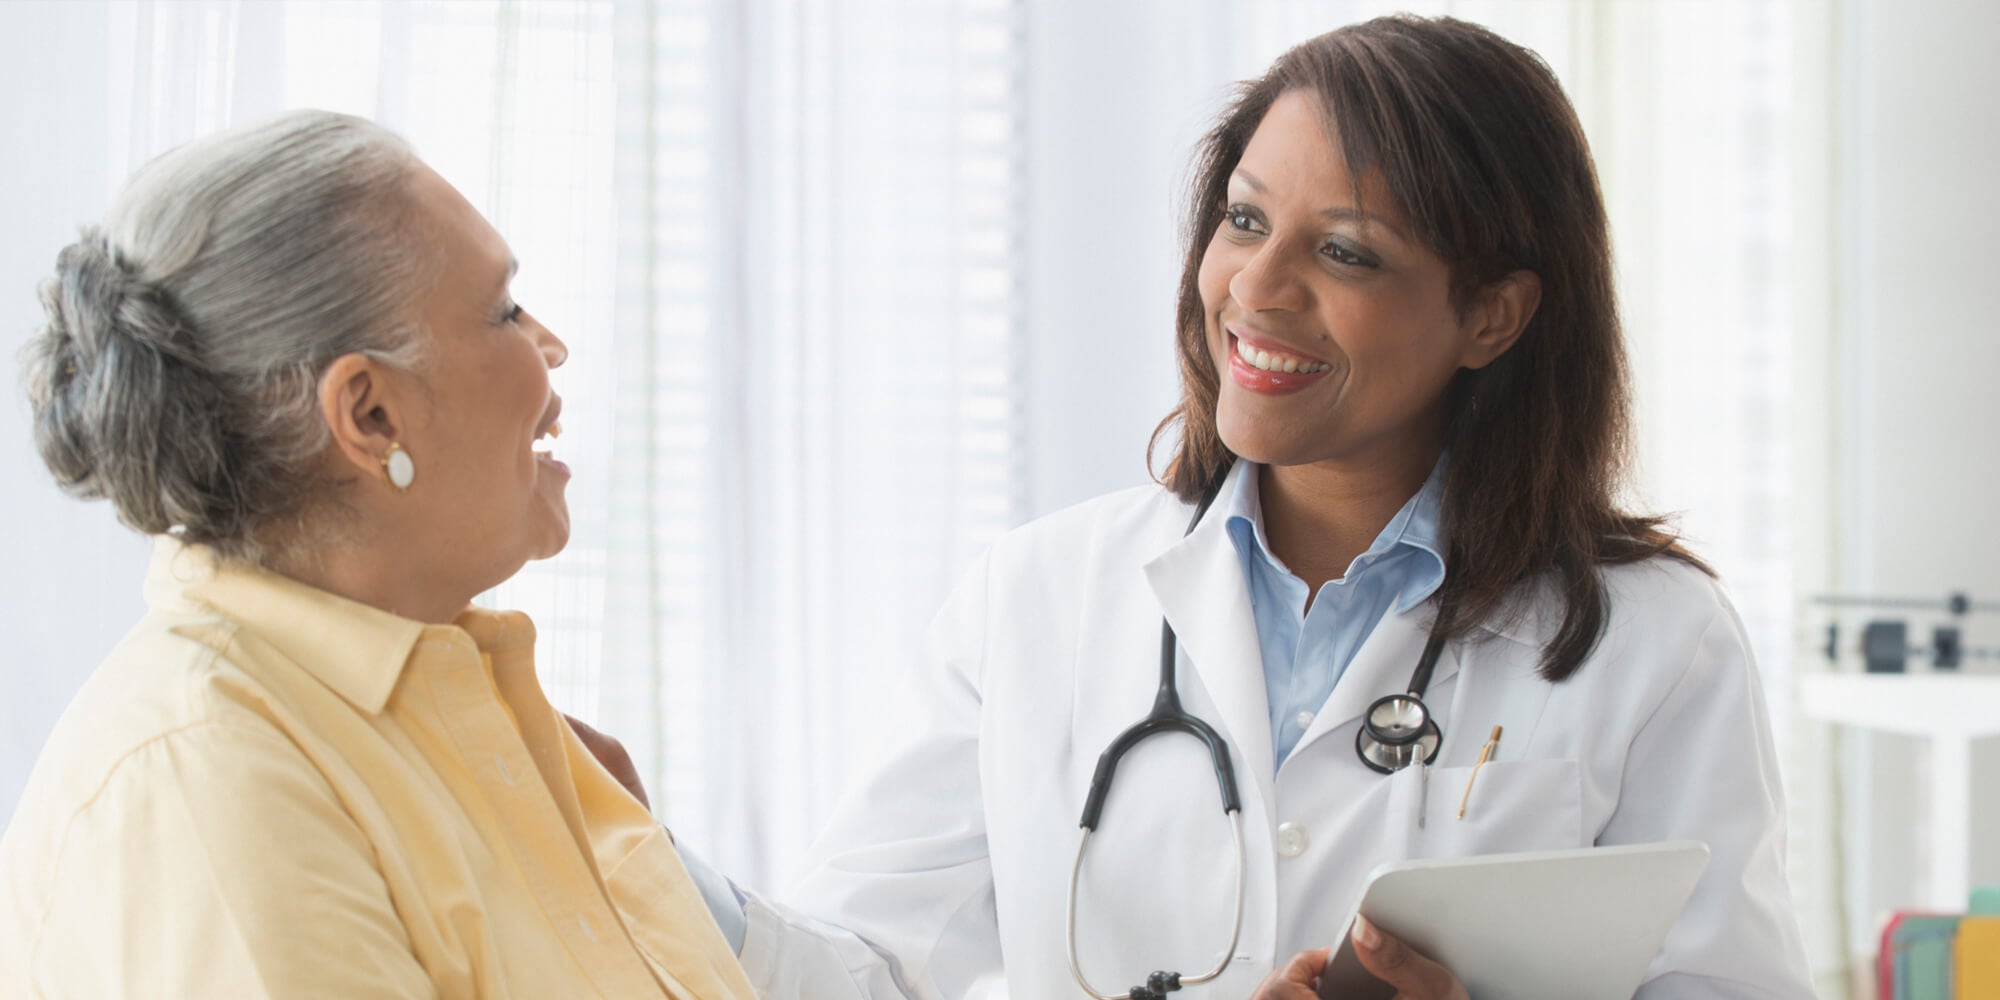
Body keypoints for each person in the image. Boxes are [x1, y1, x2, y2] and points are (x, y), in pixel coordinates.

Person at [643, 15, 1816, 999]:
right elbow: (860, 972)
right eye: (1245, 221)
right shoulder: (1040, 598)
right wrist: (631, 856)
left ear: (1491, 316)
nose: (1253, 289)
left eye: (1345, 253)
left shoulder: (1652, 643)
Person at [0, 110, 753, 999]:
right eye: (505, 312)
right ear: (370, 417)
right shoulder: (209, 782)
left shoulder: (476, 722)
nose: (551, 348)